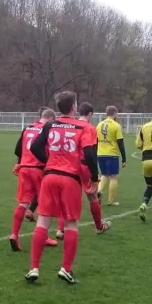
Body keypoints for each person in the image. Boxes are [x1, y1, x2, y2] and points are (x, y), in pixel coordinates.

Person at [25, 91, 98, 285]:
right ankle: (66, 269)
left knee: (43, 221)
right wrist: (95, 179)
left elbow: (34, 147)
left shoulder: (50, 124)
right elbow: (90, 155)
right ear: (74, 106)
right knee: (71, 224)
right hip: (70, 178)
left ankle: (34, 268)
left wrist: (48, 160)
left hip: (49, 176)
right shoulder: (85, 127)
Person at [55, 102, 112, 239]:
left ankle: (60, 229)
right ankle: (99, 226)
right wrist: (94, 174)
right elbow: (91, 153)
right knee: (92, 196)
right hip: (85, 166)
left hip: (70, 165)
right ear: (90, 114)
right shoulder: (89, 128)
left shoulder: (71, 125)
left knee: (66, 198)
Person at [10, 108, 58, 251]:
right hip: (39, 168)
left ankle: (14, 234)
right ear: (50, 119)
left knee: (23, 203)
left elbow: (18, 149)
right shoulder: (48, 129)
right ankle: (43, 237)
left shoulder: (28, 127)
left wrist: (21, 161)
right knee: (46, 203)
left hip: (25, 167)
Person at [96, 106, 126, 206]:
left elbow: (95, 141)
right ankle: (111, 201)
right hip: (112, 154)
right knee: (113, 177)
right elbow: (120, 143)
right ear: (115, 113)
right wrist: (124, 158)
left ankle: (99, 190)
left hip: (100, 154)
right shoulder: (116, 125)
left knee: (104, 174)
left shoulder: (99, 125)